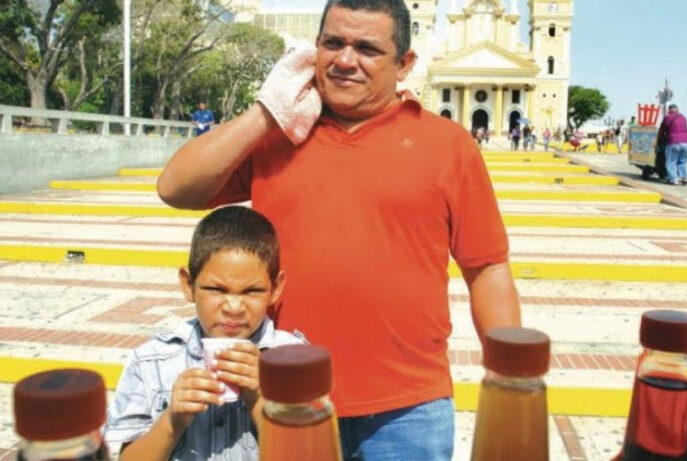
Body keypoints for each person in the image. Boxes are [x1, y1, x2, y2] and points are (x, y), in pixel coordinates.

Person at [156, 1, 521, 459]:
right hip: (281, 396)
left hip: (408, 407)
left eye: (367, 48)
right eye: (333, 43)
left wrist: (510, 375)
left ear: (404, 64)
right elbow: (175, 188)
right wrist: (267, 113)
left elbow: (486, 267)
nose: (346, 60)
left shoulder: (448, 145)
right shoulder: (278, 137)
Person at [105, 206, 305, 460]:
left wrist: (260, 398)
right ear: (188, 285)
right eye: (216, 289)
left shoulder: (295, 360)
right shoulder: (151, 362)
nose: (233, 308)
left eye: (252, 291)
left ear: (275, 289)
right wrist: (172, 421)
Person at [659, 104, 687, 185]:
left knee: (671, 161)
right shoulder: (683, 117)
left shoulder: (668, 117)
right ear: (677, 110)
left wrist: (660, 140)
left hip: (674, 142)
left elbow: (662, 129)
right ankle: (685, 177)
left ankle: (673, 179)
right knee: (684, 161)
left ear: (669, 110)